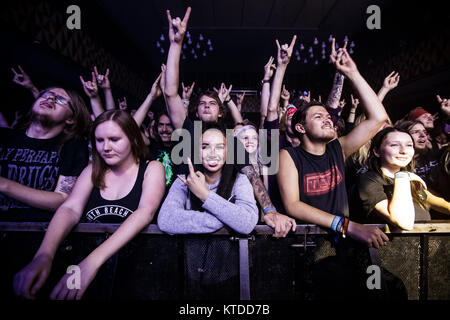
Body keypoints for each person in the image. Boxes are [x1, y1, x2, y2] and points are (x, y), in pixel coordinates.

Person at [163, 6, 295, 237]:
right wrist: (176, 44)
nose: (206, 105)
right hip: (185, 205)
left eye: (212, 103)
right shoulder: (188, 129)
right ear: (195, 109)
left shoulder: (231, 140)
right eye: (202, 103)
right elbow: (171, 93)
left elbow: (252, 175)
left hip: (223, 216)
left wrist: (269, 209)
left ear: (221, 112)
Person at [13, 110, 166, 300]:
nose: (106, 147)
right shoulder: (92, 170)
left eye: (114, 139)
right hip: (80, 266)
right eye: (100, 140)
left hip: (133, 270)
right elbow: (70, 209)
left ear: (134, 139)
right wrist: (44, 255)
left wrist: (92, 262)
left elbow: (145, 212)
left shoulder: (152, 168)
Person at [158, 124, 258, 299]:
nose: (213, 153)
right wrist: (224, 218)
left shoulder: (239, 180)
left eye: (219, 147)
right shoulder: (183, 181)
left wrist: (204, 195)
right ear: (198, 151)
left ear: (228, 152)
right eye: (205, 147)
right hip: (190, 275)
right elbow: (166, 220)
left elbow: (247, 222)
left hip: (230, 275)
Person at [0, 87, 91, 221]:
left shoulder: (73, 147)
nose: (51, 98)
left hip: (35, 230)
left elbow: (62, 199)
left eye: (60, 100)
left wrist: (5, 185)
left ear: (70, 119)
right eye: (47, 95)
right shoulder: (4, 138)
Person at [352, 127, 450, 230]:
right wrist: (402, 177)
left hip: (421, 244)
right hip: (392, 245)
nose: (403, 151)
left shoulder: (410, 179)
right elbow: (404, 222)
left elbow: (440, 203)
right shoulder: (369, 180)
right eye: (394, 145)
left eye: (409, 145)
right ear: (376, 151)